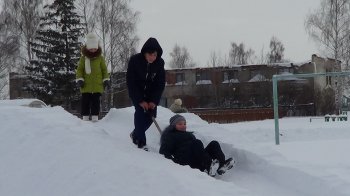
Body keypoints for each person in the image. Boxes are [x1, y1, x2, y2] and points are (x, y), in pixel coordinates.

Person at [159, 114, 234, 176]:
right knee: (196, 143)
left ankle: (221, 166)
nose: (183, 126)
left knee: (214, 143)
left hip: (196, 158)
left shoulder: (189, 135)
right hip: (184, 161)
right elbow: (163, 152)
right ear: (173, 125)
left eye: (184, 124)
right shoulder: (170, 136)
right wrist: (173, 162)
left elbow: (198, 150)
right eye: (180, 124)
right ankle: (209, 167)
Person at [126, 37, 165, 150]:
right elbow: (131, 81)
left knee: (151, 116)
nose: (152, 57)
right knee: (140, 112)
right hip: (137, 91)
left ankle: (135, 133)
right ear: (145, 53)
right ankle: (141, 142)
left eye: (155, 55)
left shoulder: (160, 63)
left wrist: (154, 101)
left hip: (151, 94)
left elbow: (160, 83)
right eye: (150, 54)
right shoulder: (135, 60)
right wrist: (140, 100)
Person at [76, 33, 110, 122]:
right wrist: (80, 79)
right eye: (91, 49)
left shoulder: (100, 58)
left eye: (95, 48)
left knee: (96, 102)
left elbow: (104, 70)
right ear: (87, 48)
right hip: (85, 86)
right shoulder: (83, 58)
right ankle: (85, 118)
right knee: (85, 102)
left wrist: (106, 80)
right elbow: (79, 70)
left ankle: (95, 118)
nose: (93, 50)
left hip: (97, 86)